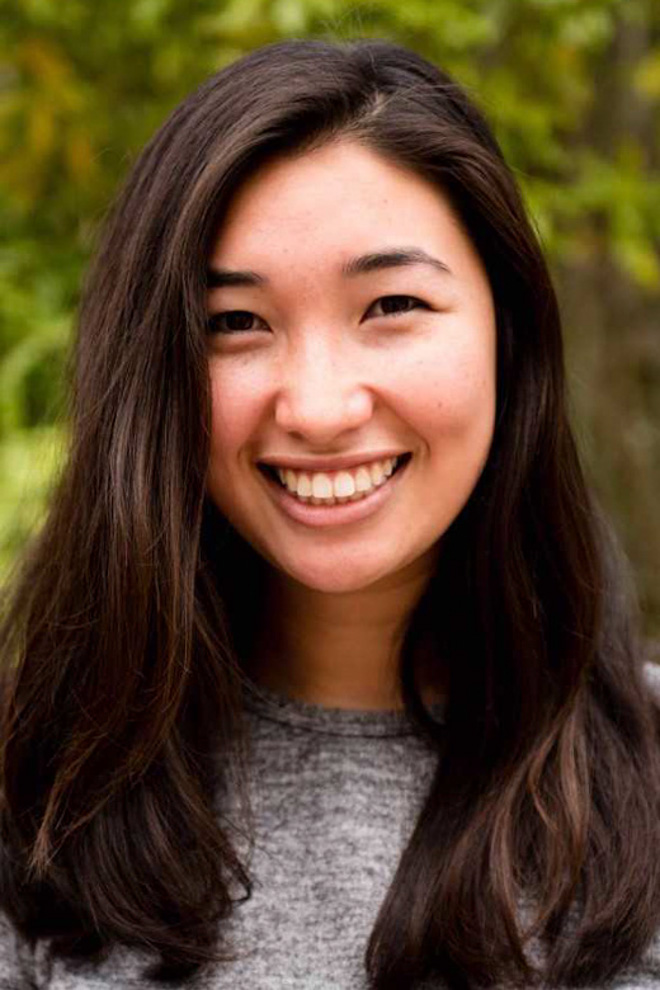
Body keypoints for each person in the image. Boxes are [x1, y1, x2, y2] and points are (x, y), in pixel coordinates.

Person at [0, 36, 659, 990]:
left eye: (390, 305)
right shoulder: (33, 797)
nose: (317, 408)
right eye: (235, 323)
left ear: (508, 335)